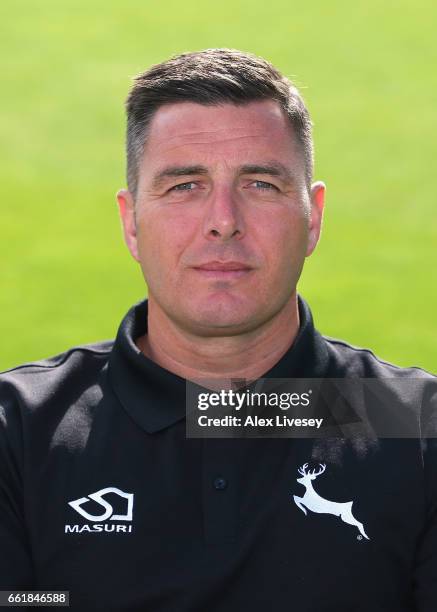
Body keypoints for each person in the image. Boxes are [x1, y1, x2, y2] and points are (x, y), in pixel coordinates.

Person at [0, 48, 436, 611]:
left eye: (260, 184)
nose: (223, 221)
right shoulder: (18, 431)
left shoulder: (419, 428)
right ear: (131, 221)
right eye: (184, 185)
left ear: (314, 217)